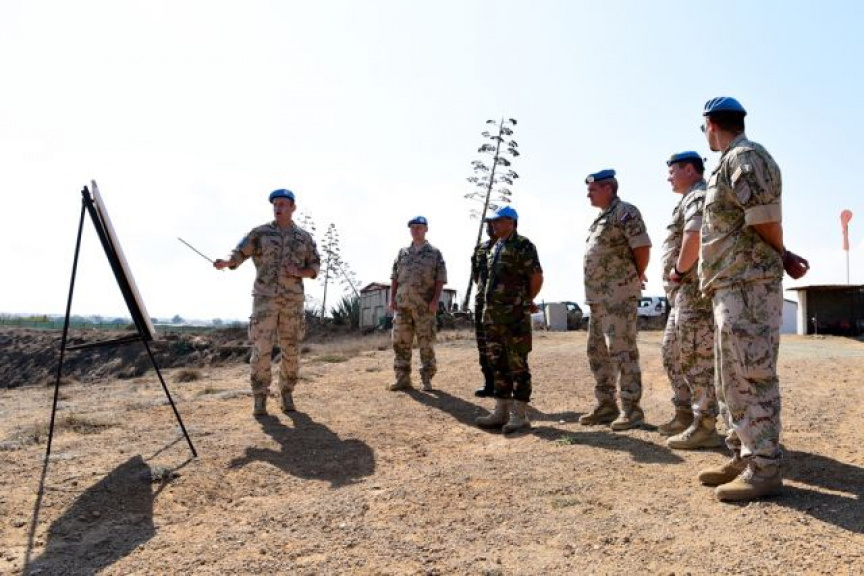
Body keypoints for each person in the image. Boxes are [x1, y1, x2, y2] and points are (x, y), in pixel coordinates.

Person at [696, 97, 809, 501]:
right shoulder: (728, 162)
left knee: (753, 375)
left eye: (703, 128)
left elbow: (765, 218)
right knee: (731, 379)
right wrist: (783, 252)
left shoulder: (745, 158)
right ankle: (743, 455)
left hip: (749, 286)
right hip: (731, 285)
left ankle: (765, 467)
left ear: (711, 124)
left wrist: (781, 253)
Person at [214, 189, 320, 416]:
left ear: (293, 208)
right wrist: (228, 262)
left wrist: (299, 272)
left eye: (283, 204)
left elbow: (315, 267)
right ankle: (260, 397)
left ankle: (287, 393)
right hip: (265, 301)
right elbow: (239, 253)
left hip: (292, 303)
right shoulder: (260, 233)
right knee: (261, 350)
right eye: (275, 204)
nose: (278, 207)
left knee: (291, 350)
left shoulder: (304, 238)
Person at [658, 151, 722, 449]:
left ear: (689, 170)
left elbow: (693, 236)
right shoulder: (686, 199)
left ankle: (705, 424)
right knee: (672, 352)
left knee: (697, 358)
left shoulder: (698, 196)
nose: (668, 177)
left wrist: (679, 270)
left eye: (672, 171)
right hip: (681, 295)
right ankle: (684, 414)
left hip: (694, 293)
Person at [579, 169, 652, 431]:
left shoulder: (625, 212)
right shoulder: (601, 219)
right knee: (598, 353)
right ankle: (606, 405)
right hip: (598, 300)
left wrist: (636, 274)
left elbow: (642, 247)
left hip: (618, 297)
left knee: (622, 353)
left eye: (593, 189)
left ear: (608, 188)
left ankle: (631, 409)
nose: (588, 194)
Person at [475, 206, 543, 433]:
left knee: (517, 365)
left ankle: (520, 415)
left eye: (498, 221)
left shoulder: (523, 245)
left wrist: (525, 300)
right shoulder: (495, 248)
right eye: (493, 222)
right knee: (498, 364)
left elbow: (536, 276)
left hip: (514, 318)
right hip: (492, 318)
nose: (494, 225)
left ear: (511, 222)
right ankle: (501, 411)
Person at [388, 216, 447, 392]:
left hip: (424, 307)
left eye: (419, 227)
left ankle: (426, 379)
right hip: (403, 306)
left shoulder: (434, 253)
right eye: (413, 227)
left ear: (426, 229)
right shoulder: (402, 253)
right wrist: (391, 299)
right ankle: (402, 379)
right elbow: (394, 277)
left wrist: (435, 301)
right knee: (400, 343)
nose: (415, 230)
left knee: (426, 344)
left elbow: (440, 279)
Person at [471, 221, 498, 397]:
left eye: (493, 224)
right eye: (487, 225)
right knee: (483, 345)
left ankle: (505, 386)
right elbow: (476, 276)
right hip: (482, 304)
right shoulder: (480, 249)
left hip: (503, 306)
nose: (489, 228)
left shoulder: (511, 247)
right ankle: (489, 383)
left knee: (502, 346)